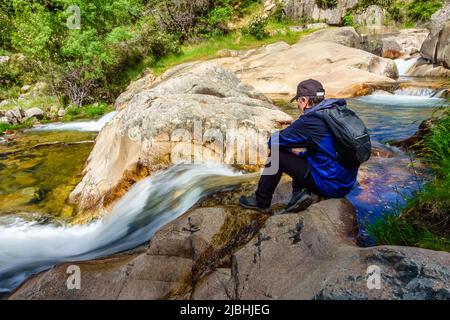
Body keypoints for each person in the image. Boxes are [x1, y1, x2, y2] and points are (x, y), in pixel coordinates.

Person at [239, 79, 360, 213]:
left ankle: (261, 202)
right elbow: (326, 151)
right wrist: (298, 151)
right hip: (346, 183)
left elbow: (273, 141)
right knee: (300, 149)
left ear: (303, 100)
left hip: (331, 186)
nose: (298, 105)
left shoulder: (310, 120)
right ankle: (299, 194)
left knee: (277, 154)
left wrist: (294, 133)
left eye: (298, 101)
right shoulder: (336, 111)